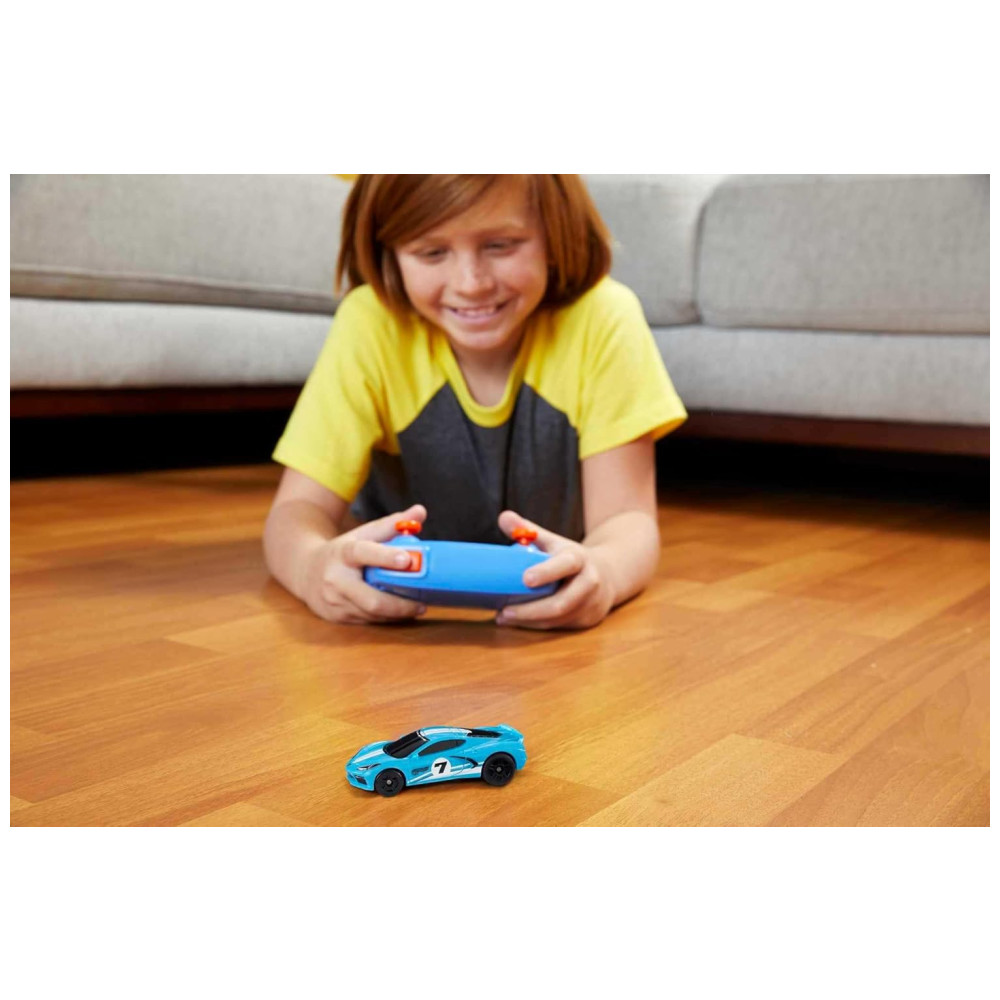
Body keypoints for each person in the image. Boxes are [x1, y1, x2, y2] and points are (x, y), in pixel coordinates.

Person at [264, 174, 687, 629]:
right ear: (389, 254)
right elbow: (295, 512)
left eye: (500, 245)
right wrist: (312, 567)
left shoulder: (605, 316)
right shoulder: (370, 322)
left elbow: (627, 519)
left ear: (556, 233)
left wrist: (604, 573)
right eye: (432, 253)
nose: (471, 283)